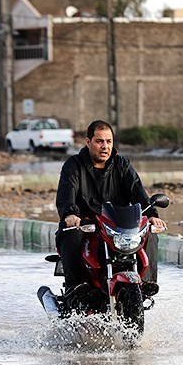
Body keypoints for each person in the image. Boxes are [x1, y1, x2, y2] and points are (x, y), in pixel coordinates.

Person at [55, 119, 167, 304]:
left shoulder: (121, 164)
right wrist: (70, 214)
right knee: (70, 234)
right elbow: (67, 193)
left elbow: (137, 191)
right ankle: (77, 285)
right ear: (88, 142)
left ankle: (147, 281)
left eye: (109, 141)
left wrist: (152, 215)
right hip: (86, 224)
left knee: (149, 230)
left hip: (117, 226)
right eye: (99, 141)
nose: (105, 146)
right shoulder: (73, 165)